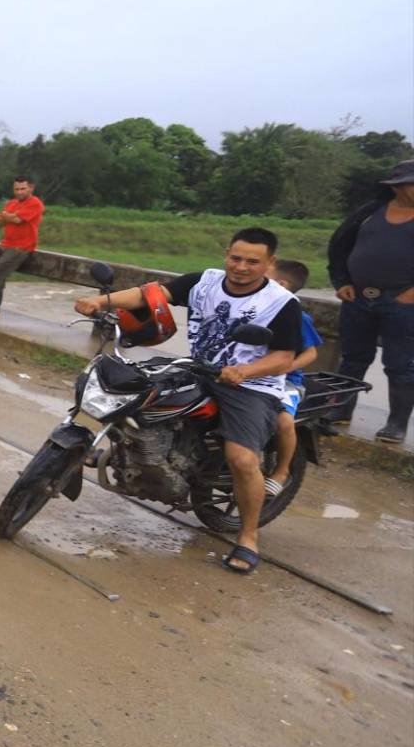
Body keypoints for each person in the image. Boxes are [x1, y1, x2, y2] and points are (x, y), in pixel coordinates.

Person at [73, 228, 304, 575]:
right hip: (198, 368)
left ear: (269, 263)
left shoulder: (282, 303)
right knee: (121, 387)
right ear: (227, 253)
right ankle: (97, 448)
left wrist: (244, 370)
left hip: (252, 385)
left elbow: (285, 357)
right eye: (235, 258)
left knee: (241, 458)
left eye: (252, 261)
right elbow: (150, 294)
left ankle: (248, 537)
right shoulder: (205, 282)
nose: (241, 267)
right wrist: (102, 302)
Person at [326, 157, 414, 443]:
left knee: (401, 364)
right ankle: (340, 409)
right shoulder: (370, 213)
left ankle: (397, 423)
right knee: (353, 357)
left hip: (403, 303)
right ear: (399, 186)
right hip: (359, 298)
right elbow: (339, 246)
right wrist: (342, 282)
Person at [263, 259, 322, 494]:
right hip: (247, 374)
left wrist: (285, 366)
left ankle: (281, 471)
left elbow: (311, 353)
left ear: (281, 284)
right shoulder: (252, 305)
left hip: (284, 381)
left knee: (284, 420)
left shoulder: (297, 315)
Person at [0, 176, 45, 315]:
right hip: (6, 243)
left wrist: (9, 216)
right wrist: (10, 216)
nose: (19, 192)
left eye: (23, 189)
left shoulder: (35, 203)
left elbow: (17, 220)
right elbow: (1, 218)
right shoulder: (12, 203)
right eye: (16, 189)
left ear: (31, 188)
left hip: (21, 247)